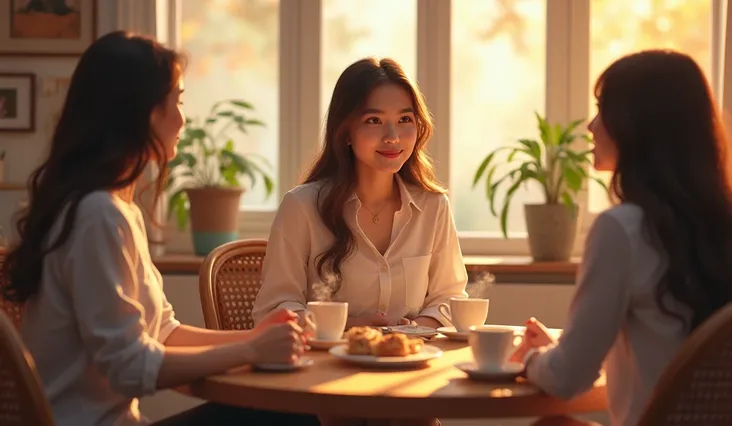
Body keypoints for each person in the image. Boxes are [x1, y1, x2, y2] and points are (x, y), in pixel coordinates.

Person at [0, 31, 319, 426]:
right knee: (296, 417)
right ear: (146, 112)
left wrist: (257, 338)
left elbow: (163, 331)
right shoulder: (97, 214)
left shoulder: (111, 206)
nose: (183, 118)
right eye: (178, 100)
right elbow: (130, 366)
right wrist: (252, 350)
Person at [511, 49, 732, 426]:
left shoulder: (622, 229)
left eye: (602, 109)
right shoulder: (723, 224)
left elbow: (568, 380)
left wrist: (530, 359)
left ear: (637, 125)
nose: (590, 126)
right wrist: (559, 353)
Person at [252, 57, 468, 426]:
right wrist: (348, 329)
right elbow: (274, 309)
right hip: (322, 389)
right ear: (345, 131)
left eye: (404, 120)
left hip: (408, 385)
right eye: (374, 121)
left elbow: (450, 297)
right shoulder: (302, 207)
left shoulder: (434, 206)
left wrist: (413, 331)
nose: (393, 137)